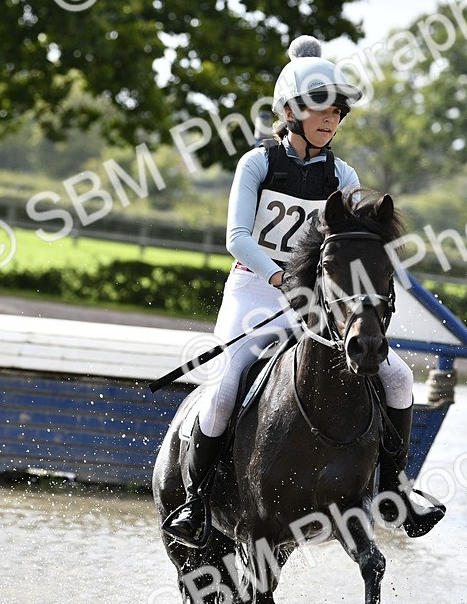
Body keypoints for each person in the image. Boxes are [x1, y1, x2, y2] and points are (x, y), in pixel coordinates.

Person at [165, 35, 445, 546]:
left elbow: (352, 244)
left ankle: (395, 489)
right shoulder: (257, 163)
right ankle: (195, 502)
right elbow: (237, 238)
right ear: (290, 111)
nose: (330, 120)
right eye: (320, 109)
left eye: (337, 112)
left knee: (399, 377)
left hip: (316, 303)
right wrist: (279, 279)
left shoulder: (343, 174)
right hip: (254, 290)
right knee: (226, 388)